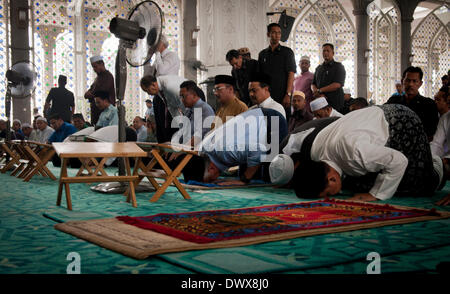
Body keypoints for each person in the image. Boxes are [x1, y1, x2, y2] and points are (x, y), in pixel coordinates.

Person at [276, 104, 443, 202]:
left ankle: (440, 166)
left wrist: (375, 195)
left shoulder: (355, 153)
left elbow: (398, 161)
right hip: (371, 120)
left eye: (327, 193)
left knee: (414, 184)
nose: (330, 198)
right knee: (358, 182)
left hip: (402, 122)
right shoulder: (316, 156)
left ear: (332, 178)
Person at [198, 107, 288, 185]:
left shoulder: (224, 151)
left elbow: (259, 150)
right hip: (256, 119)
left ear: (211, 168)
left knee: (269, 168)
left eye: (210, 179)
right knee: (251, 165)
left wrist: (244, 180)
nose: (213, 181)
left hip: (272, 122)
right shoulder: (202, 150)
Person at [385, 66, 438, 141]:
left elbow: (430, 131)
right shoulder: (394, 101)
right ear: (402, 81)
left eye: (414, 81)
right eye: (408, 80)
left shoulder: (428, 105)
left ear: (420, 83)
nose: (410, 84)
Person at [258, 23, 296, 110]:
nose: (277, 35)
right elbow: (260, 76)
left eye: (279, 33)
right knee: (268, 121)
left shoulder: (287, 52)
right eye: (274, 32)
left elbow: (291, 73)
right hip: (266, 96)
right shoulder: (262, 54)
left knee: (280, 121)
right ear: (268, 34)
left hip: (282, 96)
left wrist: (288, 94)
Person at [140, 74, 186, 143]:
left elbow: (185, 107)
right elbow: (171, 107)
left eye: (148, 90)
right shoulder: (159, 89)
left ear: (153, 85)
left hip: (195, 96)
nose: (148, 94)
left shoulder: (170, 87)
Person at [178, 80, 215, 146]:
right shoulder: (189, 111)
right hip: (186, 148)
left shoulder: (205, 110)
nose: (182, 100)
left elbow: (199, 136)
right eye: (180, 97)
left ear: (194, 95)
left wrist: (181, 149)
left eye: (183, 96)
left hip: (197, 151)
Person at [312, 43, 346, 113]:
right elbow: (313, 84)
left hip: (335, 104)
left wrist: (320, 91)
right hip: (321, 103)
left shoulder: (339, 67)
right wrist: (317, 92)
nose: (325, 53)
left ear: (333, 53)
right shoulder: (319, 68)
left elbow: (337, 84)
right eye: (324, 51)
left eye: (328, 51)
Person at [84, 56, 116, 125]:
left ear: (102, 64)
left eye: (95, 66)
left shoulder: (108, 76)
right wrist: (92, 93)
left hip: (105, 111)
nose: (94, 69)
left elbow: (101, 93)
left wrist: (92, 93)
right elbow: (86, 94)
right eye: (93, 67)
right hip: (96, 111)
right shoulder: (97, 79)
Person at [431, 86, 450, 158]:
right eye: (435, 99)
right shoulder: (444, 118)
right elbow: (436, 143)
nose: (435, 102)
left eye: (438, 100)